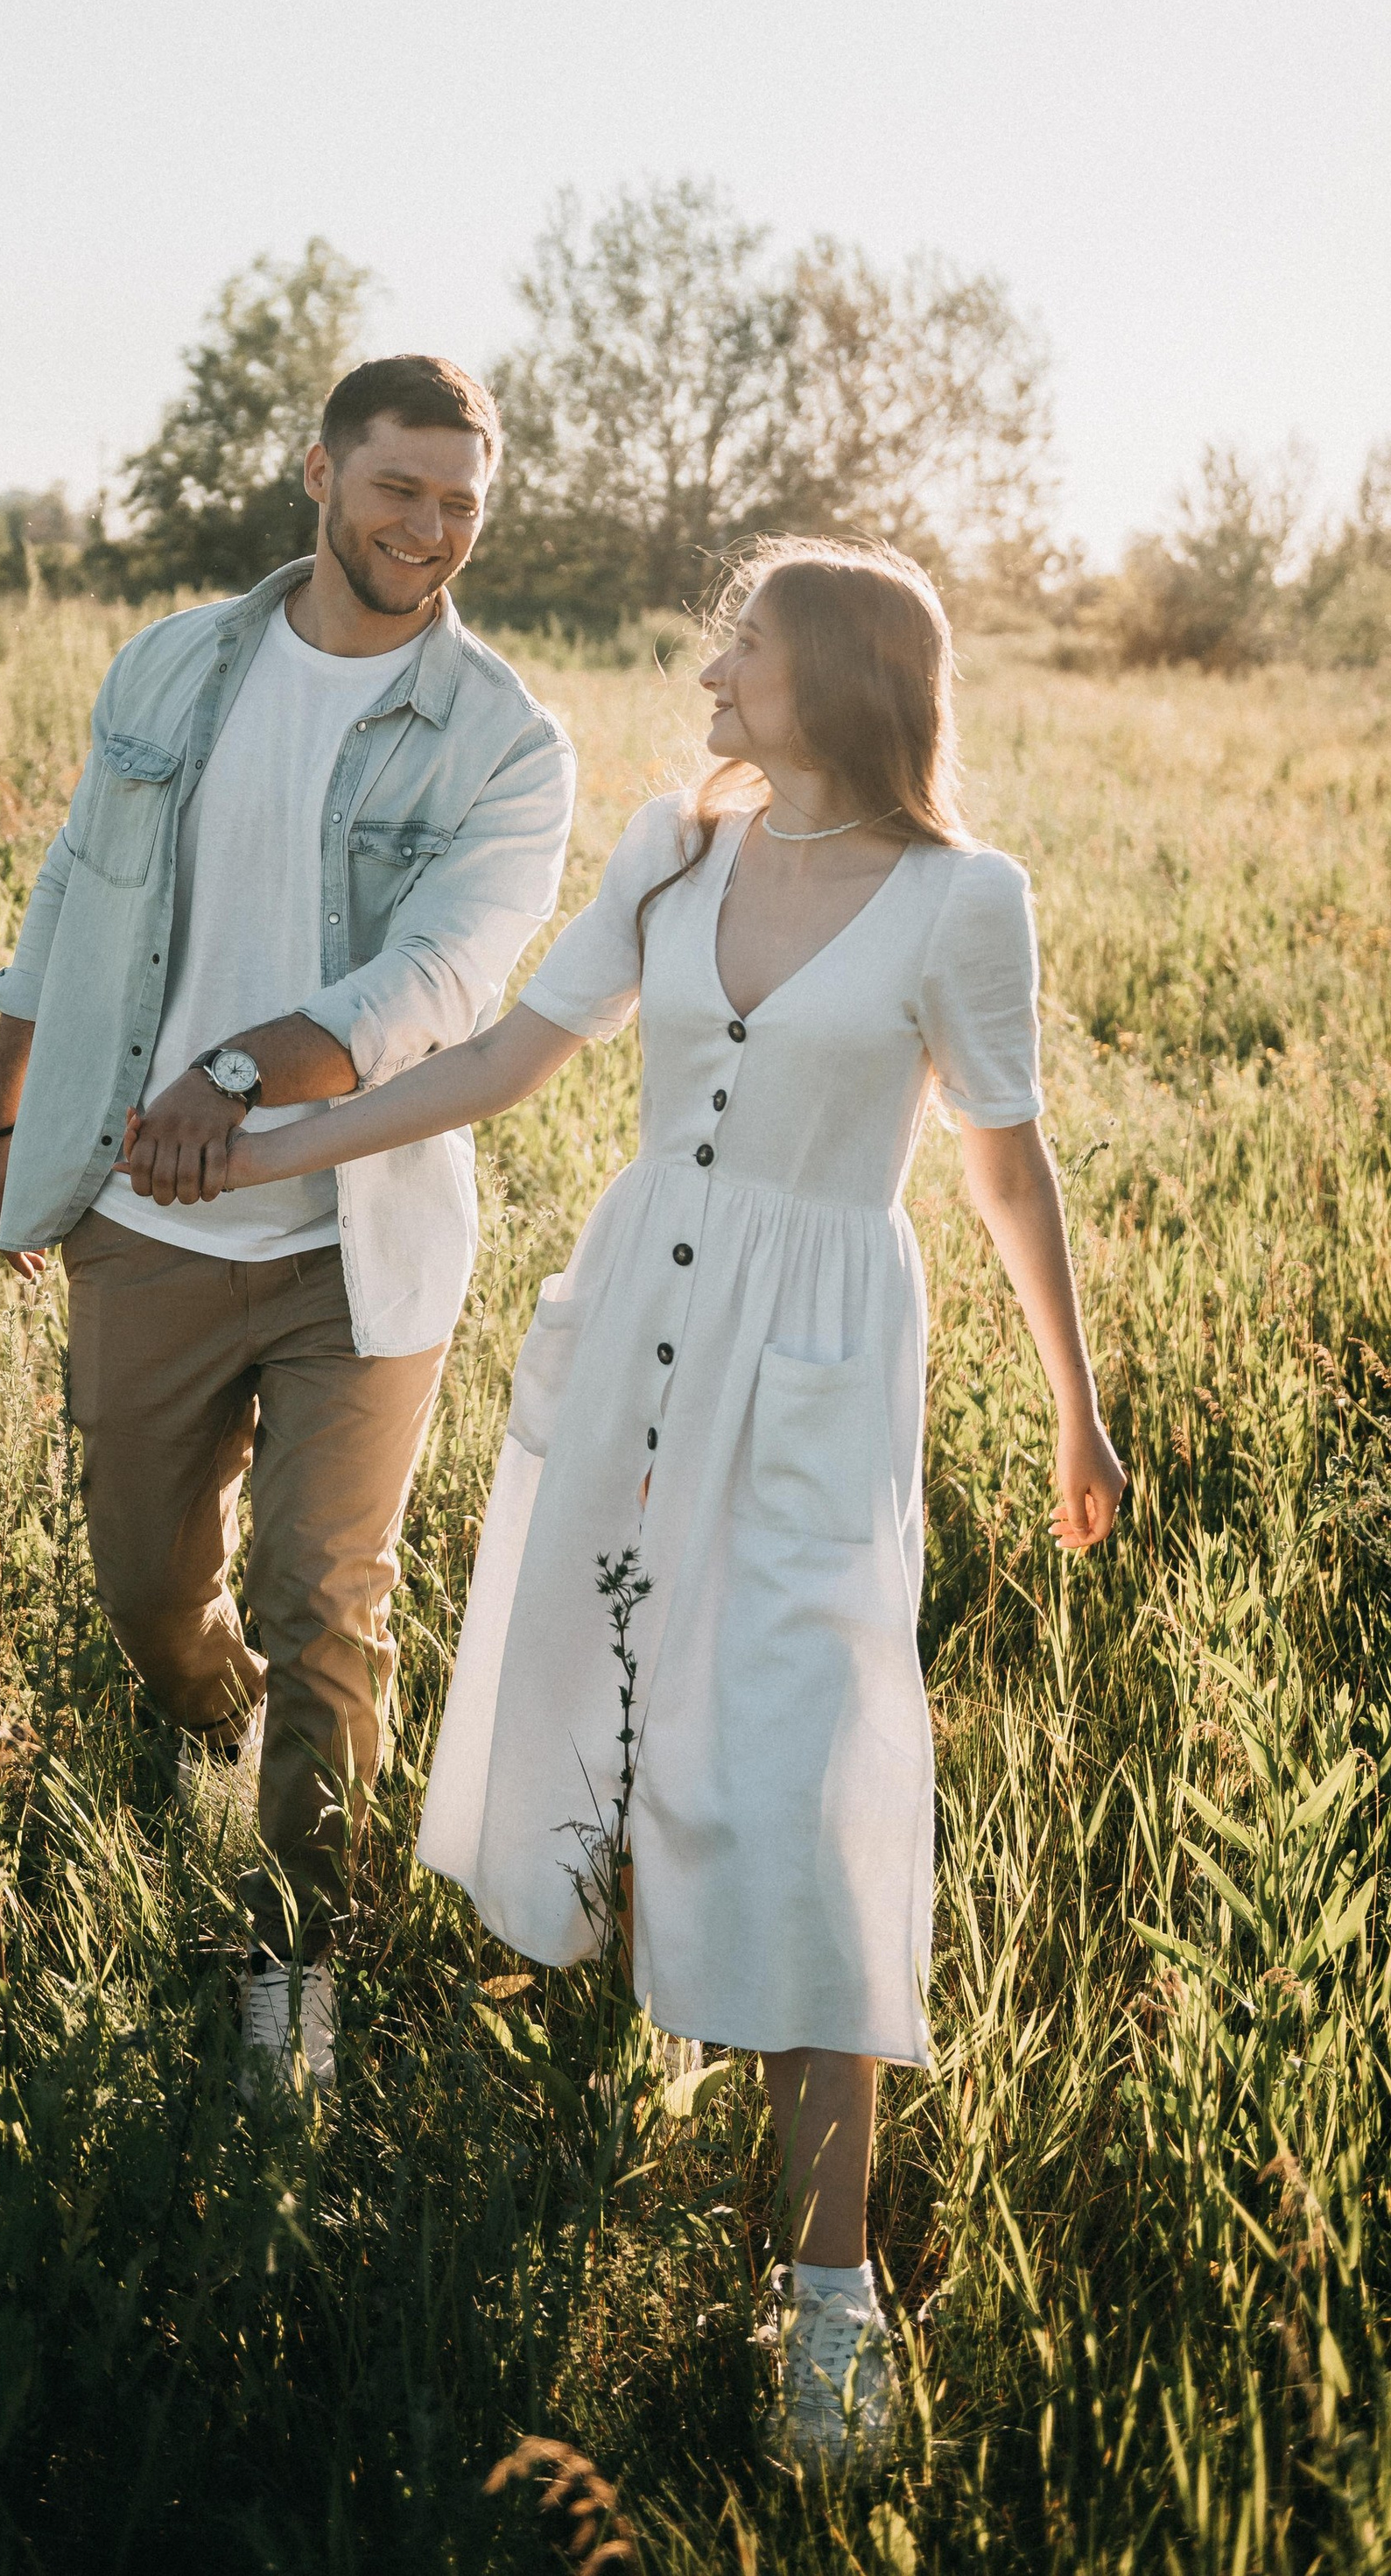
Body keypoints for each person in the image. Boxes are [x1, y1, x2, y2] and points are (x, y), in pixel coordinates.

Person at [217, 537, 1126, 2460]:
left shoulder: (965, 898)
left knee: (811, 1781)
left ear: (843, 677)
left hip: (815, 1361)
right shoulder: (669, 848)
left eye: (747, 641)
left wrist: (1075, 1405)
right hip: (636, 1328)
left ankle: (826, 2296)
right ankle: (582, 2106)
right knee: (600, 1718)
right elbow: (502, 1060)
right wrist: (275, 1138)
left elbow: (1001, 1165)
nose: (711, 664)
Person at [0, 355, 577, 2094]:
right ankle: (209, 1724)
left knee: (329, 1607)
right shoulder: (170, 661)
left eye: (460, 501)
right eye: (398, 489)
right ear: (318, 470)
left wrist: (235, 1072)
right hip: (147, 1221)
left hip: (357, 1248)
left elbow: (440, 982)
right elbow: (76, 889)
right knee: (147, 1592)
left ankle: (298, 1978)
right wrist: (10, 1106)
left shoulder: (503, 741)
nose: (428, 530)